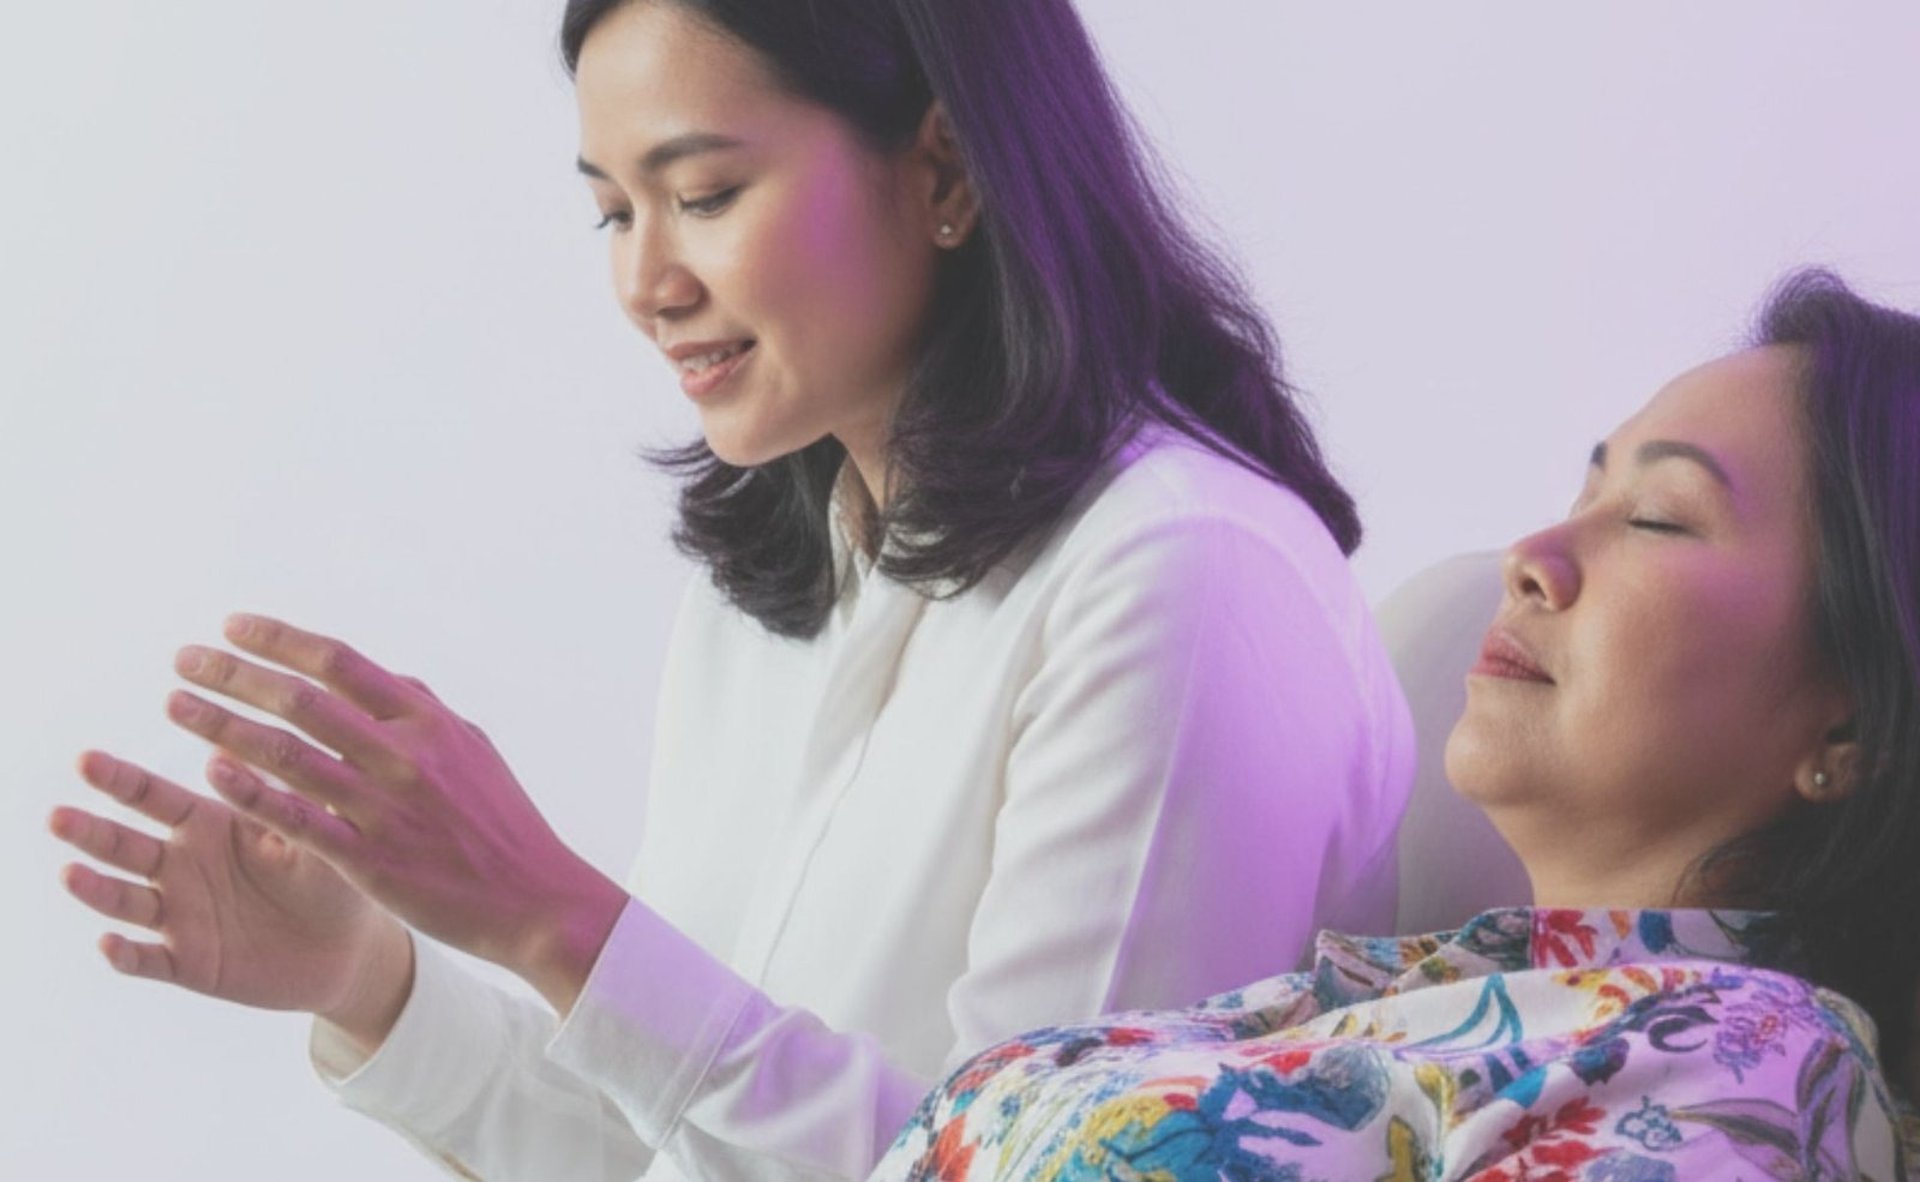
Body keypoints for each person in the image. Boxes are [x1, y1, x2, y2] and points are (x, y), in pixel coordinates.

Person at [46, 1, 1412, 1178]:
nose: (645, 280)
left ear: (944, 168)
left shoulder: (1181, 577)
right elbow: (681, 1144)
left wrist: (551, 914)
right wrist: (372, 981)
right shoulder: (784, 581)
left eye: (702, 195)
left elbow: (1038, 1156)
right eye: (611, 209)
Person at [873, 270, 1920, 1180]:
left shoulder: (1750, 1073)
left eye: (1658, 517)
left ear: (1852, 730)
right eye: (1585, 487)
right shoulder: (1398, 996)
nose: (1535, 551)